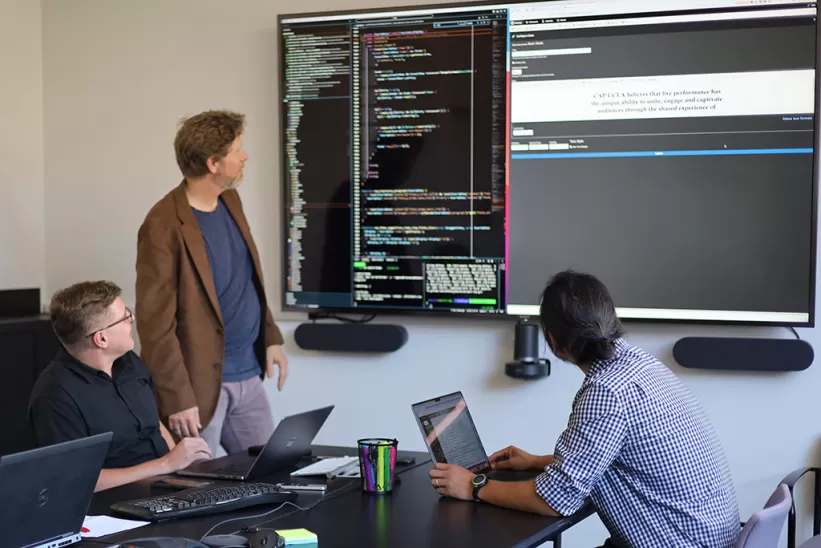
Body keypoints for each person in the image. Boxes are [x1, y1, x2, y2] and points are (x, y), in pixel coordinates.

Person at [429, 270, 740, 548]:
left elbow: (554, 500)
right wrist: (536, 461)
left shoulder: (606, 391)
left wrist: (473, 486)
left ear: (552, 341)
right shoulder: (641, 365)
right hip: (709, 536)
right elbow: (622, 456)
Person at [136, 109, 287, 455]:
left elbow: (247, 279)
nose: (245, 155)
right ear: (213, 164)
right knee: (197, 494)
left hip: (249, 375)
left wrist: (270, 338)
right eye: (237, 149)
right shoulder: (161, 225)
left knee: (270, 476)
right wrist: (176, 398)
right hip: (198, 391)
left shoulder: (230, 200)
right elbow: (154, 324)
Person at [29, 281, 213, 492]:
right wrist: (166, 464)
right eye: (125, 317)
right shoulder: (55, 396)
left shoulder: (129, 362)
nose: (132, 319)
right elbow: (75, 480)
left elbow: (155, 425)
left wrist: (181, 467)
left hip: (167, 484)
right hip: (117, 504)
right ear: (102, 339)